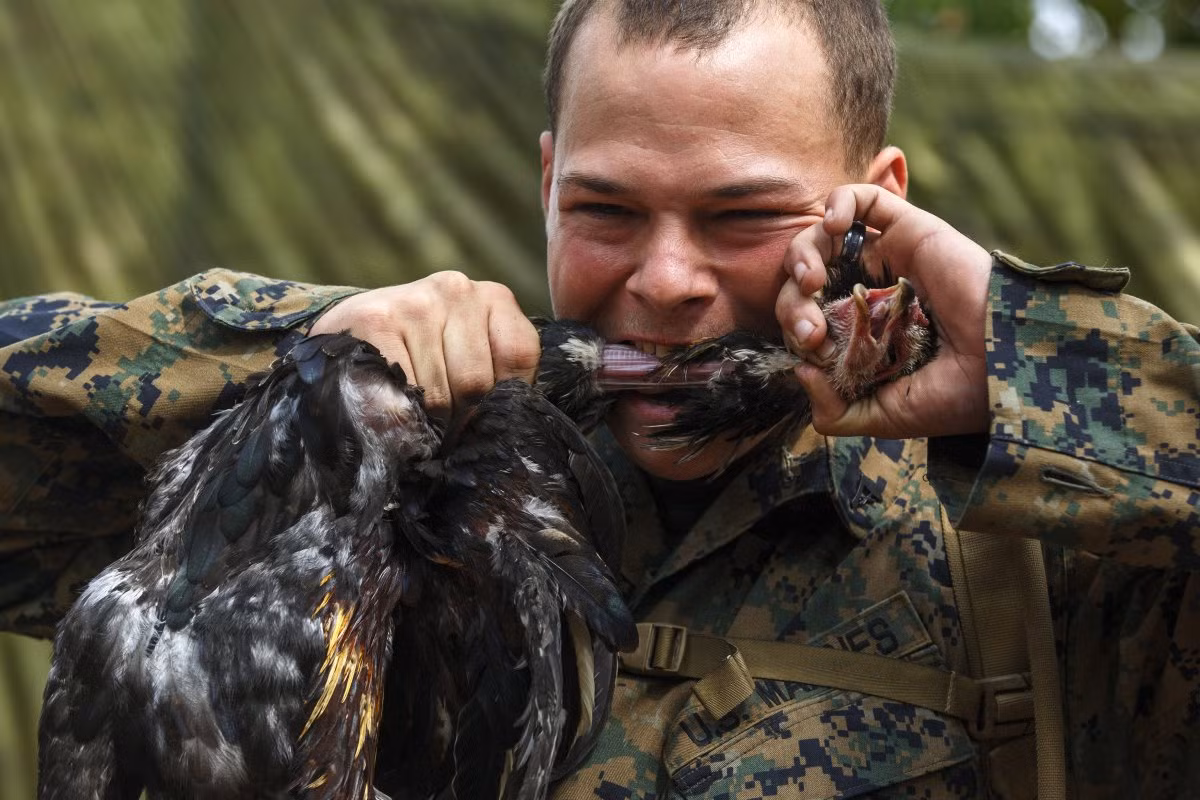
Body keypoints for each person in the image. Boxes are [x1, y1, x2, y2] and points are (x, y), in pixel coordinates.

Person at [1, 0, 1196, 797]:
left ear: (874, 197)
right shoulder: (378, 479)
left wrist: (1035, 363)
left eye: (741, 216)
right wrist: (307, 374)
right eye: (606, 210)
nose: (664, 281)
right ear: (546, 184)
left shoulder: (1049, 547)